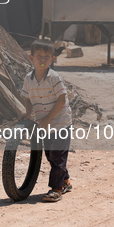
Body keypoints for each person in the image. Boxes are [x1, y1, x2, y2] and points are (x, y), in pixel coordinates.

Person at [19, 38, 73, 202]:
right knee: (51, 155)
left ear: (52, 59)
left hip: (61, 123)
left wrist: (49, 118)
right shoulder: (28, 79)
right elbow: (27, 98)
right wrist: (28, 114)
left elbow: (62, 100)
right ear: (31, 58)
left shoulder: (54, 78)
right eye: (39, 56)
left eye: (46, 57)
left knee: (58, 156)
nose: (42, 60)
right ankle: (65, 180)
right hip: (45, 124)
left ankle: (56, 189)